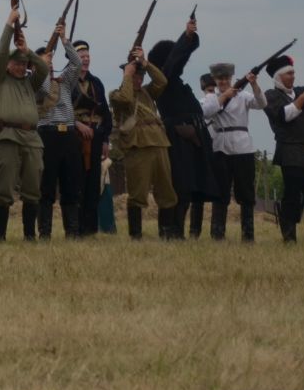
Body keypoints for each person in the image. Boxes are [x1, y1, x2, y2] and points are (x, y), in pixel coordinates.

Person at [0, 12, 51, 241]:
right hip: (8, 136)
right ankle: (1, 236)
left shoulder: (29, 82)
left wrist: (28, 51)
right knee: (3, 189)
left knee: (33, 188)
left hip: (32, 138)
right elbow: (1, 54)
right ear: (8, 65)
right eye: (17, 63)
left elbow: (43, 70)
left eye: (24, 64)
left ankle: (29, 235)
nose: (21, 67)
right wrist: (8, 24)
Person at [148, 19, 212, 239]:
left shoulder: (175, 81)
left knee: (187, 188)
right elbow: (175, 60)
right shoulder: (164, 80)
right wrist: (186, 38)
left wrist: (188, 39)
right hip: (177, 138)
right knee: (178, 187)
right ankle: (170, 231)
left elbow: (177, 59)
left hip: (191, 137)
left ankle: (177, 231)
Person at [109, 42, 177, 240]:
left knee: (166, 191)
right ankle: (136, 235)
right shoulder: (116, 94)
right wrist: (127, 75)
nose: (139, 79)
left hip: (159, 144)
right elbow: (125, 99)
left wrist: (145, 63)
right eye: (135, 75)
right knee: (138, 193)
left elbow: (162, 81)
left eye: (140, 76)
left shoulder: (148, 92)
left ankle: (166, 234)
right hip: (137, 147)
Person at [262, 54, 304, 244]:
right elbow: (284, 116)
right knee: (292, 198)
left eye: (293, 73)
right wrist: (302, 100)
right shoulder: (270, 96)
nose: (293, 76)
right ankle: (289, 239)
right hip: (291, 154)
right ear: (278, 77)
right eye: (289, 73)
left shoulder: (301, 90)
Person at [203, 61, 262, 242]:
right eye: (219, 79)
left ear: (231, 78)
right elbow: (205, 112)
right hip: (221, 147)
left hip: (243, 147)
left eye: (226, 78)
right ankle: (217, 234)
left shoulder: (243, 96)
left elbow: (261, 103)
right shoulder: (211, 97)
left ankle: (248, 235)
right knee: (220, 194)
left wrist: (254, 84)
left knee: (246, 193)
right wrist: (224, 97)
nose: (223, 82)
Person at [35, 33, 84, 239]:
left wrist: (64, 40)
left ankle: (71, 232)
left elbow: (77, 63)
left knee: (70, 185)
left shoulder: (63, 82)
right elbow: (44, 91)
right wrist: (43, 68)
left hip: (69, 134)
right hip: (48, 134)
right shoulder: (37, 82)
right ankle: (45, 233)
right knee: (46, 187)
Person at [69, 41, 113, 236]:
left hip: (95, 136)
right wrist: (76, 124)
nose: (85, 59)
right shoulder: (67, 81)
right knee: (77, 181)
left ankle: (91, 229)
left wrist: (105, 140)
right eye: (82, 56)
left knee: (94, 181)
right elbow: (60, 109)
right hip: (75, 135)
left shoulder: (97, 83)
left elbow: (105, 113)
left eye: (87, 56)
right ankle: (76, 228)